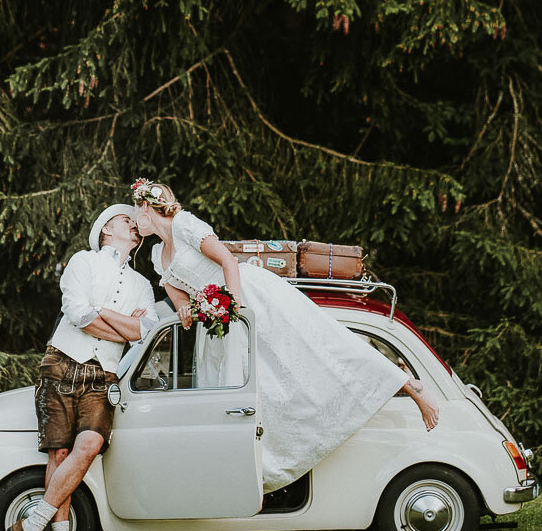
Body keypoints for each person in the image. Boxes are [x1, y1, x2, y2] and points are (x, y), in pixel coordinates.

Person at [131, 178, 440, 494]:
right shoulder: (158, 254)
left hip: (248, 298)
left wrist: (234, 304)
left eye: (134, 209)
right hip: (220, 323)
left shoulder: (184, 224)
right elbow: (181, 298)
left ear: (147, 207)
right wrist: (187, 311)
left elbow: (226, 261)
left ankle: (408, 385)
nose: (133, 219)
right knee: (261, 390)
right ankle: (258, 473)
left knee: (318, 347)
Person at [7, 203, 157, 531]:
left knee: (89, 445)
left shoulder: (142, 285)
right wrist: (121, 325)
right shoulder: (83, 262)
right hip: (60, 364)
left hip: (103, 375)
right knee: (58, 455)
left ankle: (31, 526)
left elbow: (146, 332)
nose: (135, 227)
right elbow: (77, 314)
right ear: (107, 230)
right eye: (127, 221)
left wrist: (102, 311)